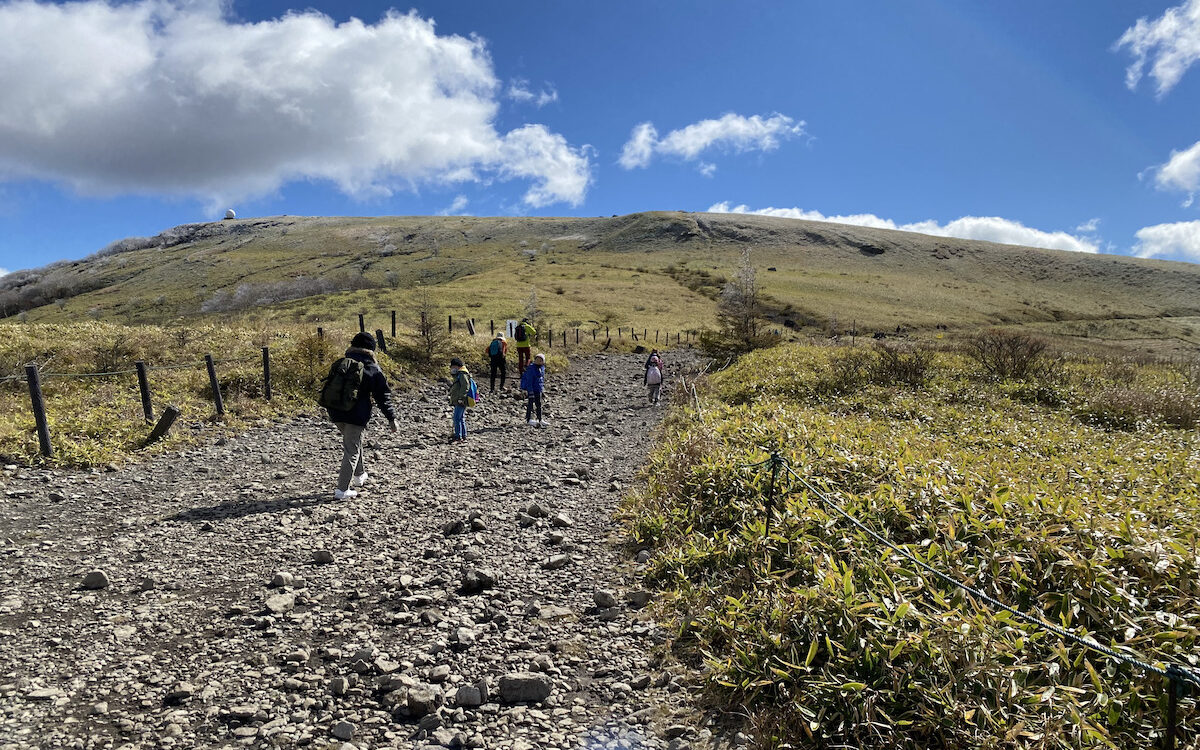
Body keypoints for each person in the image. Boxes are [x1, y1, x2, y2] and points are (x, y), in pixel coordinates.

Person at [322, 332, 397, 500]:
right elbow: (382, 397)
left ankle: (359, 475)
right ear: (371, 349)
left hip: (335, 411)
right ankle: (342, 490)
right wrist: (391, 418)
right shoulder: (372, 367)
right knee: (352, 449)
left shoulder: (343, 362)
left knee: (354, 441)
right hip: (356, 414)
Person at [448, 357, 472, 443]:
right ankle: (463, 435)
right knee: (461, 418)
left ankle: (458, 436)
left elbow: (465, 386)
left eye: (453, 366)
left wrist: (461, 398)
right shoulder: (460, 374)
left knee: (456, 418)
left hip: (461, 400)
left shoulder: (462, 374)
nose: (452, 368)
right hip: (460, 399)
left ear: (457, 366)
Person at [520, 352, 546, 427]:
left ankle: (540, 419)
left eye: (540, 360)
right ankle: (528, 419)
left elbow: (541, 380)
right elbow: (529, 381)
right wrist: (530, 391)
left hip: (538, 389)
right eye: (537, 359)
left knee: (539, 404)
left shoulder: (542, 368)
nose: (539, 361)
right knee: (530, 404)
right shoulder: (531, 368)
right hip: (532, 389)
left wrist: (542, 389)